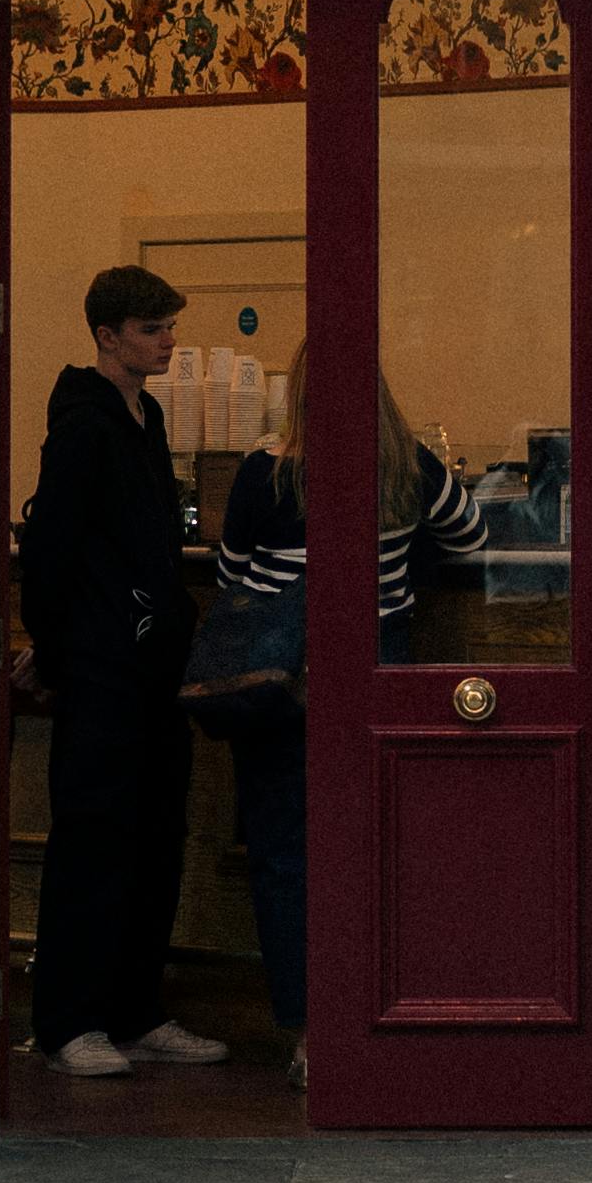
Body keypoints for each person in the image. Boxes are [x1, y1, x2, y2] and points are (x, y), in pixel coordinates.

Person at [208, 340, 489, 1089]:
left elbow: (231, 577)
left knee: (283, 855)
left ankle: (305, 1031)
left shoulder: (264, 470)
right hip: (376, 678)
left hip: (280, 689)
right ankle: (378, 1013)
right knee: (373, 846)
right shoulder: (407, 466)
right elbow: (472, 537)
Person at [19, 266, 226, 1081]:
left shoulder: (144, 416)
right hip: (107, 666)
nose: (168, 340)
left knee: (155, 837)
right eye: (152, 329)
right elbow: (51, 547)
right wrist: (63, 648)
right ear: (108, 336)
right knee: (93, 840)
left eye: (169, 326)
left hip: (149, 665)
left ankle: (135, 1011)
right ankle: (69, 1023)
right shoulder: (82, 425)